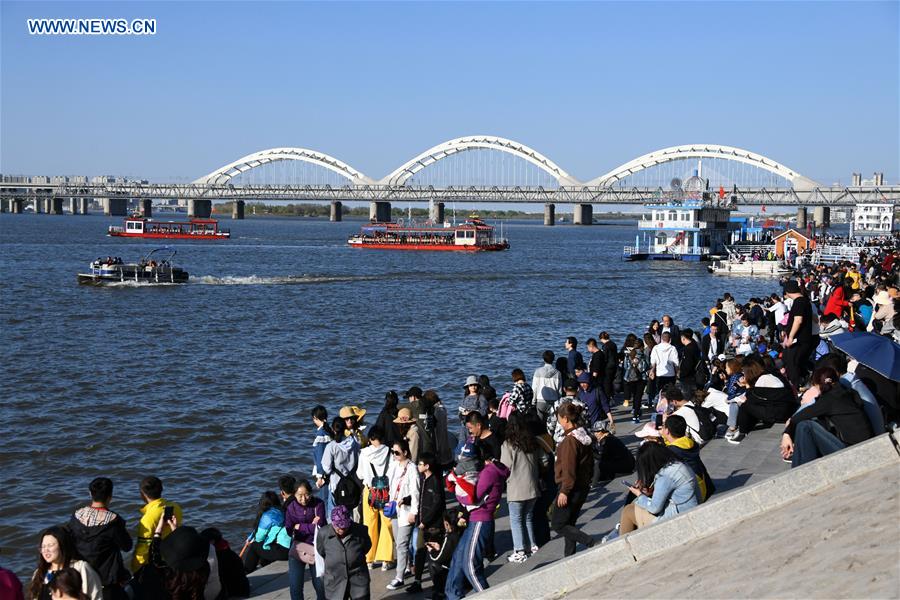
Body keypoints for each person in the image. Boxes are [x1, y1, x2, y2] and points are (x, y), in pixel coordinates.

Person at [444, 456, 509, 600]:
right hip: (475, 519)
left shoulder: (488, 472)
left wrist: (458, 489)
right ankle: (452, 595)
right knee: (459, 557)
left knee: (470, 566)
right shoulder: (487, 471)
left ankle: (487, 597)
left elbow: (472, 498)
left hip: (480, 519)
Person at [781, 367, 874, 467]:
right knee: (811, 425)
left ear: (819, 385)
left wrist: (786, 434)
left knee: (805, 426)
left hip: (852, 454)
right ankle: (799, 467)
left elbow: (797, 418)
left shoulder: (830, 399)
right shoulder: (845, 392)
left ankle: (802, 470)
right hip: (862, 450)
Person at [67, 477, 132, 600]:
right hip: (107, 580)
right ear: (110, 496)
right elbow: (127, 546)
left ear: (90, 494)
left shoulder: (76, 516)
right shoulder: (113, 521)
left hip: (81, 576)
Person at [618, 442, 700, 534]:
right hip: (689, 508)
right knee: (635, 505)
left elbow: (654, 508)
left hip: (679, 517)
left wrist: (639, 494)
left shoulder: (665, 477)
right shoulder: (678, 464)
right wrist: (648, 493)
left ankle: (622, 541)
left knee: (628, 511)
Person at [551, 402, 595, 557]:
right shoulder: (583, 434)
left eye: (559, 418)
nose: (558, 422)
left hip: (570, 487)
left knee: (558, 524)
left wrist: (564, 491)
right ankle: (569, 555)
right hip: (582, 485)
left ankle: (589, 541)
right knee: (569, 523)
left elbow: (569, 468)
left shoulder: (570, 441)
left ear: (565, 419)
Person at [500, 412, 542, 563]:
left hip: (516, 488)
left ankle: (519, 550)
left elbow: (505, 466)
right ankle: (532, 545)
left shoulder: (508, 444)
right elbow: (543, 460)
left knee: (516, 520)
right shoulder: (532, 442)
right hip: (533, 487)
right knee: (528, 517)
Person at [729, 359, 798, 445]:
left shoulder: (762, 380)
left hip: (780, 414)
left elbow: (750, 399)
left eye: (744, 372)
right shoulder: (771, 375)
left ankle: (742, 433)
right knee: (752, 405)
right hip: (788, 408)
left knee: (745, 405)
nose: (743, 375)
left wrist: (747, 385)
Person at [355, 425, 394, 571]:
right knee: (387, 524)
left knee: (369, 524)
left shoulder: (364, 454)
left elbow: (359, 474)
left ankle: (369, 559)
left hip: (370, 492)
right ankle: (385, 559)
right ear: (382, 438)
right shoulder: (390, 452)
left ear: (370, 439)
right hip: (386, 492)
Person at [407, 452, 446, 594]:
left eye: (420, 464)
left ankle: (439, 588)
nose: (418, 466)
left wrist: (425, 521)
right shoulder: (424, 479)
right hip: (423, 525)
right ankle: (417, 582)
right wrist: (406, 500)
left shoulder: (435, 481)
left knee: (434, 557)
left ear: (427, 466)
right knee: (419, 553)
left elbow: (437, 504)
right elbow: (421, 499)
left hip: (433, 527)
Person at [29, 526, 102, 600]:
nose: (46, 550)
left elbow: (95, 596)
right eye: (43, 546)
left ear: (62, 545)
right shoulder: (40, 573)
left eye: (50, 545)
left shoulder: (80, 568)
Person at [315, 506, 371, 600]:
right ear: (332, 523)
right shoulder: (323, 533)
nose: (341, 530)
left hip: (358, 580)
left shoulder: (361, 530)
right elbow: (321, 551)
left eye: (344, 527)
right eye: (338, 527)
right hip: (334, 582)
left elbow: (366, 547)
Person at [386, 439, 420, 591]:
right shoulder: (394, 465)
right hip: (395, 510)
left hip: (406, 512)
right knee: (399, 542)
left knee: (401, 544)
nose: (394, 455)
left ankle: (399, 577)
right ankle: (406, 566)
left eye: (397, 452)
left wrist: (414, 512)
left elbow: (415, 492)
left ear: (405, 452)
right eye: (392, 452)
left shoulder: (412, 469)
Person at [284, 480, 326, 600]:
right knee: (295, 587)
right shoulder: (291, 508)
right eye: (300, 495)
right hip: (298, 548)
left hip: (316, 548)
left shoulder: (318, 504)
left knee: (320, 586)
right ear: (294, 494)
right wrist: (311, 526)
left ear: (311, 493)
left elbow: (320, 526)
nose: (304, 499)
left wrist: (300, 526)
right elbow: (289, 529)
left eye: (307, 494)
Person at [132, 476, 183, 573]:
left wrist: (136, 569)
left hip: (157, 564)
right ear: (161, 489)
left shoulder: (148, 519)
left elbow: (144, 549)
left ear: (143, 494)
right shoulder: (176, 507)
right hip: (173, 557)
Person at [660, 415, 713, 502]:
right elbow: (674, 444)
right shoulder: (691, 443)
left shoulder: (671, 452)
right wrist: (665, 436)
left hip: (693, 495)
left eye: (663, 426)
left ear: (667, 431)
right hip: (703, 488)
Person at [242, 491, 291, 573]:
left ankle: (247, 571)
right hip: (291, 548)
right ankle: (265, 563)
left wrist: (251, 540)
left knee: (255, 545)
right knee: (265, 543)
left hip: (284, 551)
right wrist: (251, 537)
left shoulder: (268, 515)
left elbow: (259, 538)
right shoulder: (282, 510)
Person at [322, 417, 361, 518]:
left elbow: (327, 468)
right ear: (345, 429)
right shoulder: (354, 442)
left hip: (336, 484)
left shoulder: (331, 446)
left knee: (333, 514)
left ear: (333, 429)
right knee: (350, 512)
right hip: (353, 483)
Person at [782, 279, 816, 389]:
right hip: (804, 339)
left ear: (787, 292)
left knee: (793, 363)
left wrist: (791, 337)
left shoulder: (799, 302)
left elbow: (798, 320)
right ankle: (802, 383)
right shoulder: (804, 301)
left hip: (799, 340)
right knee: (796, 362)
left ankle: (795, 388)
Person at [426, 509, 467, 600]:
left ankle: (440, 592)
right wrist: (439, 548)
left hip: (458, 573)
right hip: (466, 569)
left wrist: (431, 551)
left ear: (447, 524)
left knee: (433, 564)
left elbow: (438, 558)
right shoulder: (463, 532)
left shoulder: (450, 537)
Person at [198, 528, 250, 599]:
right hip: (243, 588)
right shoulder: (226, 550)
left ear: (212, 541)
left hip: (234, 592)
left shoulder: (217, 557)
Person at [311, 405, 335, 519]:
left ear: (315, 418)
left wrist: (320, 476)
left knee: (324, 500)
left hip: (324, 473)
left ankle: (326, 522)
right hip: (331, 470)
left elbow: (321, 457)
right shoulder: (329, 431)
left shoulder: (321, 434)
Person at [622, 339, 648, 423]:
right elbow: (643, 368)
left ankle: (635, 410)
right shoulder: (642, 355)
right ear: (642, 346)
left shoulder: (628, 355)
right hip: (641, 378)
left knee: (634, 396)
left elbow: (625, 367)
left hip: (630, 378)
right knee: (638, 397)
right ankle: (635, 415)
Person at [532, 350, 562, 424]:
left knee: (539, 423)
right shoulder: (558, 373)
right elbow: (559, 390)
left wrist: (533, 401)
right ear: (553, 359)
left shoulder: (538, 371)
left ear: (543, 359)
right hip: (553, 401)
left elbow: (534, 388)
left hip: (541, 400)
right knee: (552, 423)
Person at [649, 332, 679, 399]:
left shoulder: (656, 348)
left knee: (660, 393)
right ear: (670, 339)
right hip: (671, 374)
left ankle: (661, 404)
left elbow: (653, 361)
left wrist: (652, 371)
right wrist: (677, 373)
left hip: (659, 374)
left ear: (661, 339)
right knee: (670, 394)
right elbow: (676, 363)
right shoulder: (672, 348)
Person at [678, 330, 702, 398]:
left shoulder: (687, 350)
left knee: (687, 397)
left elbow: (688, 365)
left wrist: (681, 374)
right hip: (694, 376)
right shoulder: (695, 345)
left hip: (687, 378)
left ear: (683, 338)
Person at [598, 332, 618, 404]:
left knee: (607, 383)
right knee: (611, 381)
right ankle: (612, 396)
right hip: (614, 365)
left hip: (608, 366)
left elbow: (605, 358)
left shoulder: (605, 346)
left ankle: (608, 398)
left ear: (601, 339)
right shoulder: (613, 344)